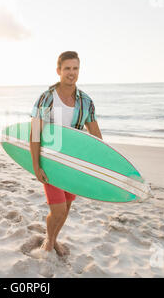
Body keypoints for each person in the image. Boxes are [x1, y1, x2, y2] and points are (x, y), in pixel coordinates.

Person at [30, 51, 102, 256]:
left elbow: (95, 135)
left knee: (67, 208)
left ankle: (52, 238)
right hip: (51, 162)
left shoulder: (85, 101)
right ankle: (49, 242)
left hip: (73, 164)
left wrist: (100, 164)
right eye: (67, 68)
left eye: (75, 68)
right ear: (59, 71)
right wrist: (36, 166)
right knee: (58, 210)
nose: (72, 73)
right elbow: (35, 134)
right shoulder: (46, 98)